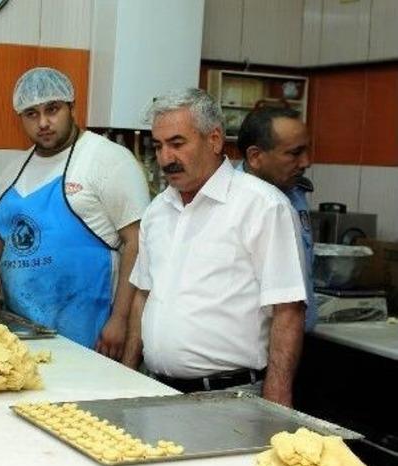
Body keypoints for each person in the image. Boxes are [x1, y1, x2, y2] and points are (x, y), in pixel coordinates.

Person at [125, 88, 307, 407]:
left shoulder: (263, 207)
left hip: (230, 397)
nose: (166, 157)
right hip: (155, 391)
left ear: (214, 139)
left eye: (177, 143)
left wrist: (277, 403)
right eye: (159, 146)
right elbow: (142, 296)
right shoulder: (157, 210)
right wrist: (125, 377)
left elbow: (288, 311)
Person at [0, 67, 150, 356]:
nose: (43, 122)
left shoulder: (106, 159)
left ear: (71, 107)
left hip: (89, 334)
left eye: (52, 109)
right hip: (20, 336)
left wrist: (120, 320)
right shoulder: (13, 171)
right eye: (31, 114)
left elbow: (138, 243)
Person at [237, 107, 317, 332]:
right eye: (294, 153)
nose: (306, 162)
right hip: (258, 348)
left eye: (306, 151)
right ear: (255, 157)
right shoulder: (230, 204)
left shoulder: (295, 193)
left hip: (300, 335)